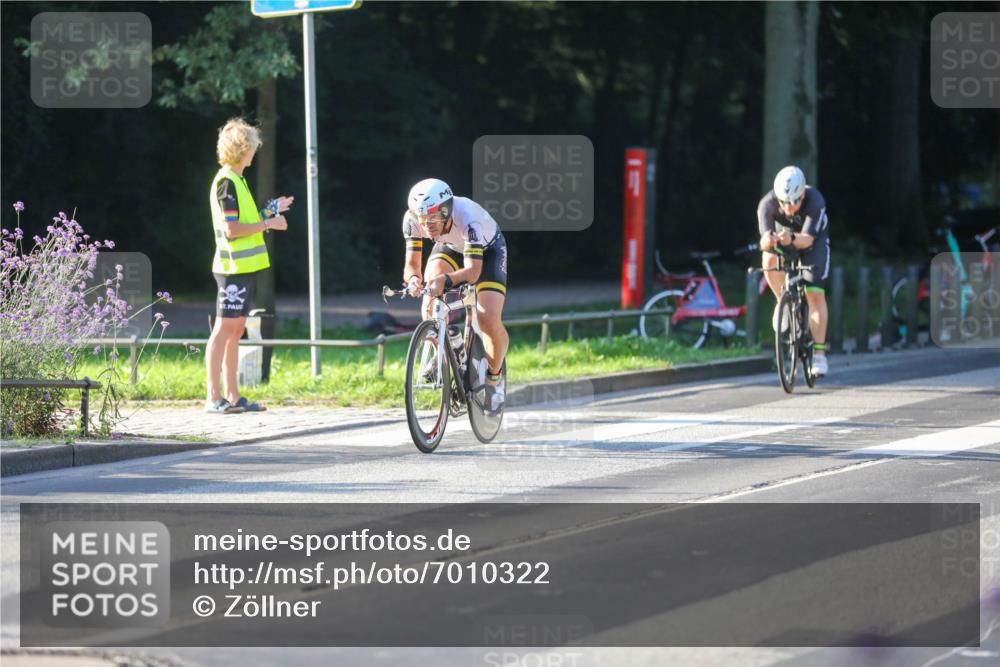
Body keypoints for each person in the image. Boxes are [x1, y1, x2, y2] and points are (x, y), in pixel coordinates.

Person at [205, 118, 294, 413]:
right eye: (253, 146)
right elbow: (232, 230)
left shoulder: (237, 180)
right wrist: (269, 223)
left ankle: (233, 396)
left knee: (235, 331)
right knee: (224, 330)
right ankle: (213, 398)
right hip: (231, 269)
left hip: (242, 270)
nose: (255, 151)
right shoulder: (227, 182)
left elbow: (244, 220)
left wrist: (269, 210)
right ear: (243, 149)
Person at [401, 178, 509, 414]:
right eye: (422, 218)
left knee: (487, 318)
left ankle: (494, 378)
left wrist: (445, 281)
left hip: (487, 252)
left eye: (432, 218)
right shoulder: (412, 219)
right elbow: (411, 265)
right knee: (429, 296)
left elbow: (473, 272)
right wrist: (414, 279)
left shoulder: (468, 217)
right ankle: (445, 345)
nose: (427, 225)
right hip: (450, 246)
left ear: (446, 210)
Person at [758, 165, 831, 377]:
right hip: (785, 238)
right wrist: (769, 240)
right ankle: (782, 302)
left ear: (803, 195)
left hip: (812, 242)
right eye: (784, 202)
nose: (789, 207)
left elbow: (807, 239)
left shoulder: (815, 201)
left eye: (794, 202)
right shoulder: (767, 204)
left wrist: (790, 237)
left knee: (814, 293)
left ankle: (819, 354)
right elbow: (763, 241)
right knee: (769, 257)